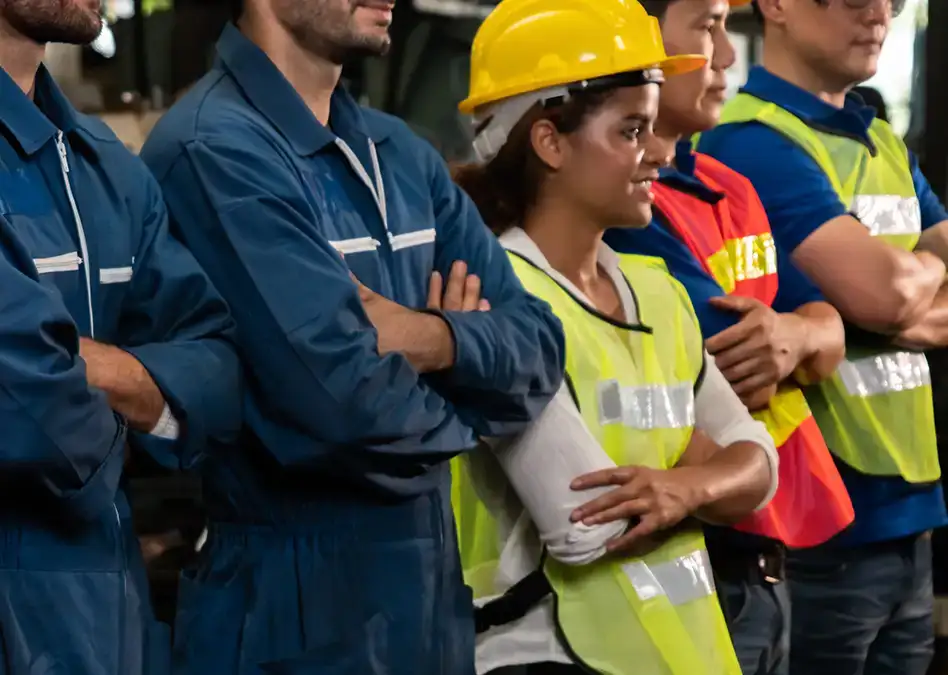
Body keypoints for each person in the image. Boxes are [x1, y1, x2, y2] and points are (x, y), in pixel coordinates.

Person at [138, 0, 566, 672]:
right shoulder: (213, 150)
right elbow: (339, 405)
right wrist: (474, 395)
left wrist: (429, 339)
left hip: (428, 593)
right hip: (293, 601)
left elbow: (540, 347)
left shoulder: (400, 153)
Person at [449, 0, 779, 672]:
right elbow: (584, 526)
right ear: (549, 140)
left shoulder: (657, 292)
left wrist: (683, 487)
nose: (659, 152)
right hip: (543, 653)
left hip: (679, 650)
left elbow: (761, 464)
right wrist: (706, 466)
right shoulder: (496, 295)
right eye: (631, 130)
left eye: (653, 127)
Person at [604, 1, 855, 672]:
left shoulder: (730, 187)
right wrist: (804, 336)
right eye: (707, 25)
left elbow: (829, 324)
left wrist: (803, 334)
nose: (724, 56)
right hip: (705, 551)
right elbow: (736, 359)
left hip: (775, 546)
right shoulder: (625, 204)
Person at [697, 0, 948, 672]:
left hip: (909, 511)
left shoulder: (881, 142)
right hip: (820, 517)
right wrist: (907, 287)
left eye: (889, 2)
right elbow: (884, 294)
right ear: (775, 6)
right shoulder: (753, 142)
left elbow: (890, 296)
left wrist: (894, 293)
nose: (877, 16)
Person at [0, 0, 241, 672]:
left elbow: (221, 371)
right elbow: (34, 407)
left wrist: (95, 368)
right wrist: (142, 389)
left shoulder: (106, 166)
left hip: (109, 614)